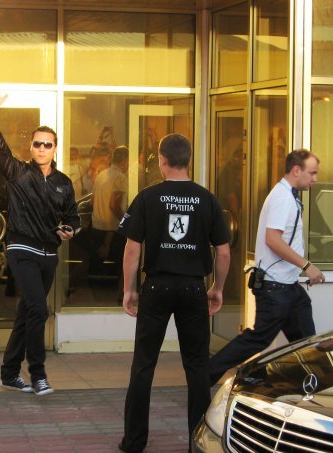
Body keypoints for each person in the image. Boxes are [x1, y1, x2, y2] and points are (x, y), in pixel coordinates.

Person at [118, 133, 231, 453]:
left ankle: (134, 441)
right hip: (193, 288)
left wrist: (129, 290)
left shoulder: (147, 197)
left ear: (161, 160)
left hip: (156, 287)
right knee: (197, 367)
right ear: (189, 160)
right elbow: (223, 252)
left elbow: (132, 250)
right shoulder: (207, 199)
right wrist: (218, 288)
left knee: (143, 365)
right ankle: (199, 442)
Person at [0, 94, 81, 396]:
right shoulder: (18, 172)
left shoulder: (63, 182)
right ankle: (38, 375)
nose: (41, 148)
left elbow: (73, 216)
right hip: (22, 250)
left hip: (49, 254)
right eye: (37, 143)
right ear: (31, 147)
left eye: (47, 144)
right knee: (39, 309)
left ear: (55, 148)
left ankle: (9, 373)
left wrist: (70, 230)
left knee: (27, 314)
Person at [209, 149, 325, 386]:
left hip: (287, 286)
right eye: (312, 173)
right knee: (259, 339)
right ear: (296, 170)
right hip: (275, 287)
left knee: (305, 342)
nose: (315, 178)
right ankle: (205, 376)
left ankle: (312, 383)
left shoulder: (288, 196)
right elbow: (273, 240)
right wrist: (307, 265)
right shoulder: (282, 198)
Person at [89, 145, 128, 278]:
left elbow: (92, 202)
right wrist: (126, 221)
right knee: (115, 270)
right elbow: (114, 205)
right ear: (125, 160)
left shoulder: (101, 175)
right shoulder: (120, 177)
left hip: (96, 227)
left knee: (96, 270)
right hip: (112, 231)